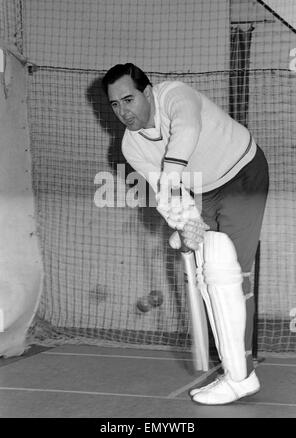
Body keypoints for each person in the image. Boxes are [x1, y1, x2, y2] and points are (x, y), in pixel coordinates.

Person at [101, 63, 269, 405]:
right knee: (210, 274)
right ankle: (237, 371)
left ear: (148, 92)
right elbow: (168, 195)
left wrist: (173, 177)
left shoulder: (175, 95)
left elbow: (187, 130)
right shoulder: (131, 148)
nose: (123, 111)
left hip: (243, 173)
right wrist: (184, 223)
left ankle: (241, 375)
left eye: (128, 99)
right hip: (201, 190)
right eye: (115, 105)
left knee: (233, 274)